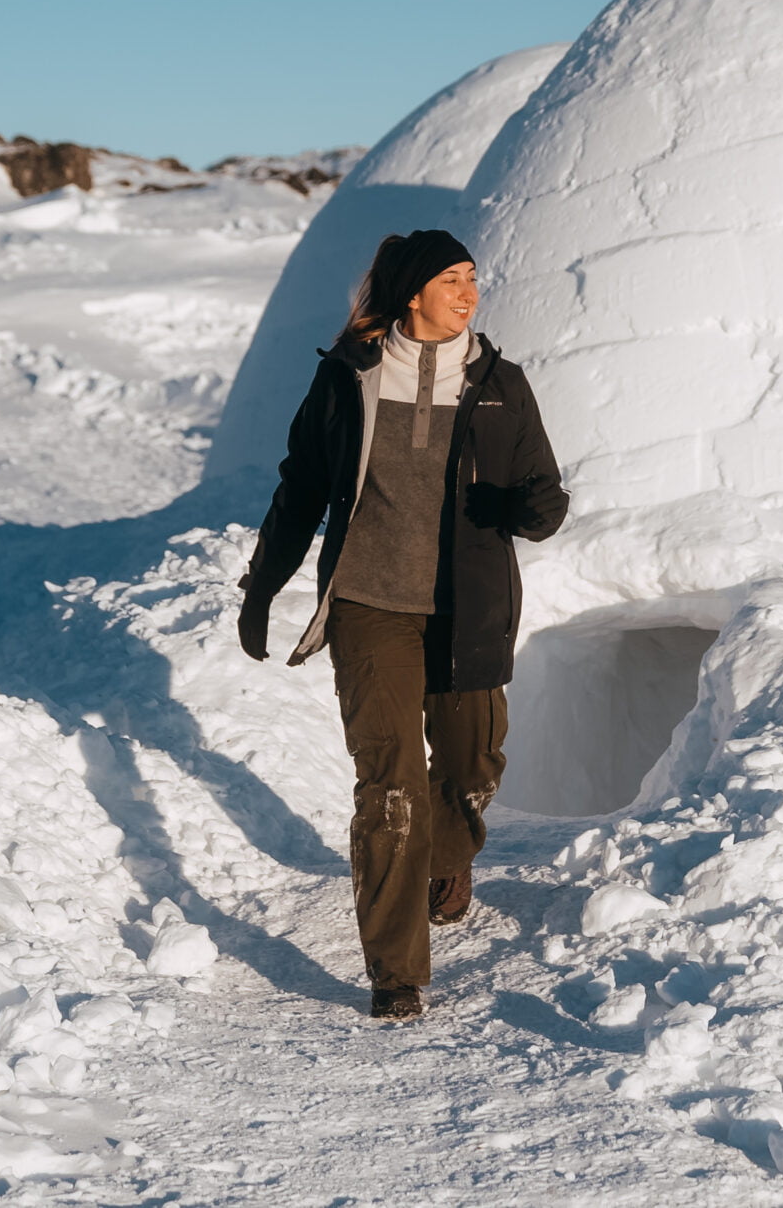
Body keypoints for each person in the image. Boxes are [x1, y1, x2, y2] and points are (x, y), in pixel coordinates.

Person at [236, 229, 568, 1021]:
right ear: (412, 291)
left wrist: (526, 510)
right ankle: (396, 970)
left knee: (471, 765)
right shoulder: (346, 377)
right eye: (452, 280)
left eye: (473, 280)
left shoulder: (499, 383)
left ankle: (450, 857)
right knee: (389, 786)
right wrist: (262, 585)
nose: (469, 293)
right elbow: (301, 489)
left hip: (470, 610)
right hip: (369, 607)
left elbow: (545, 497)